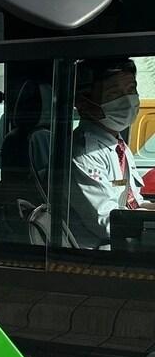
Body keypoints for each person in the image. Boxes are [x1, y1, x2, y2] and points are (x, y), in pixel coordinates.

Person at [69, 58, 154, 248]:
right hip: (98, 257)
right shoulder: (84, 153)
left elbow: (132, 202)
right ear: (85, 103)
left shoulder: (116, 145)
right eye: (114, 93)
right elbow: (108, 222)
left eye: (131, 90)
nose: (128, 99)